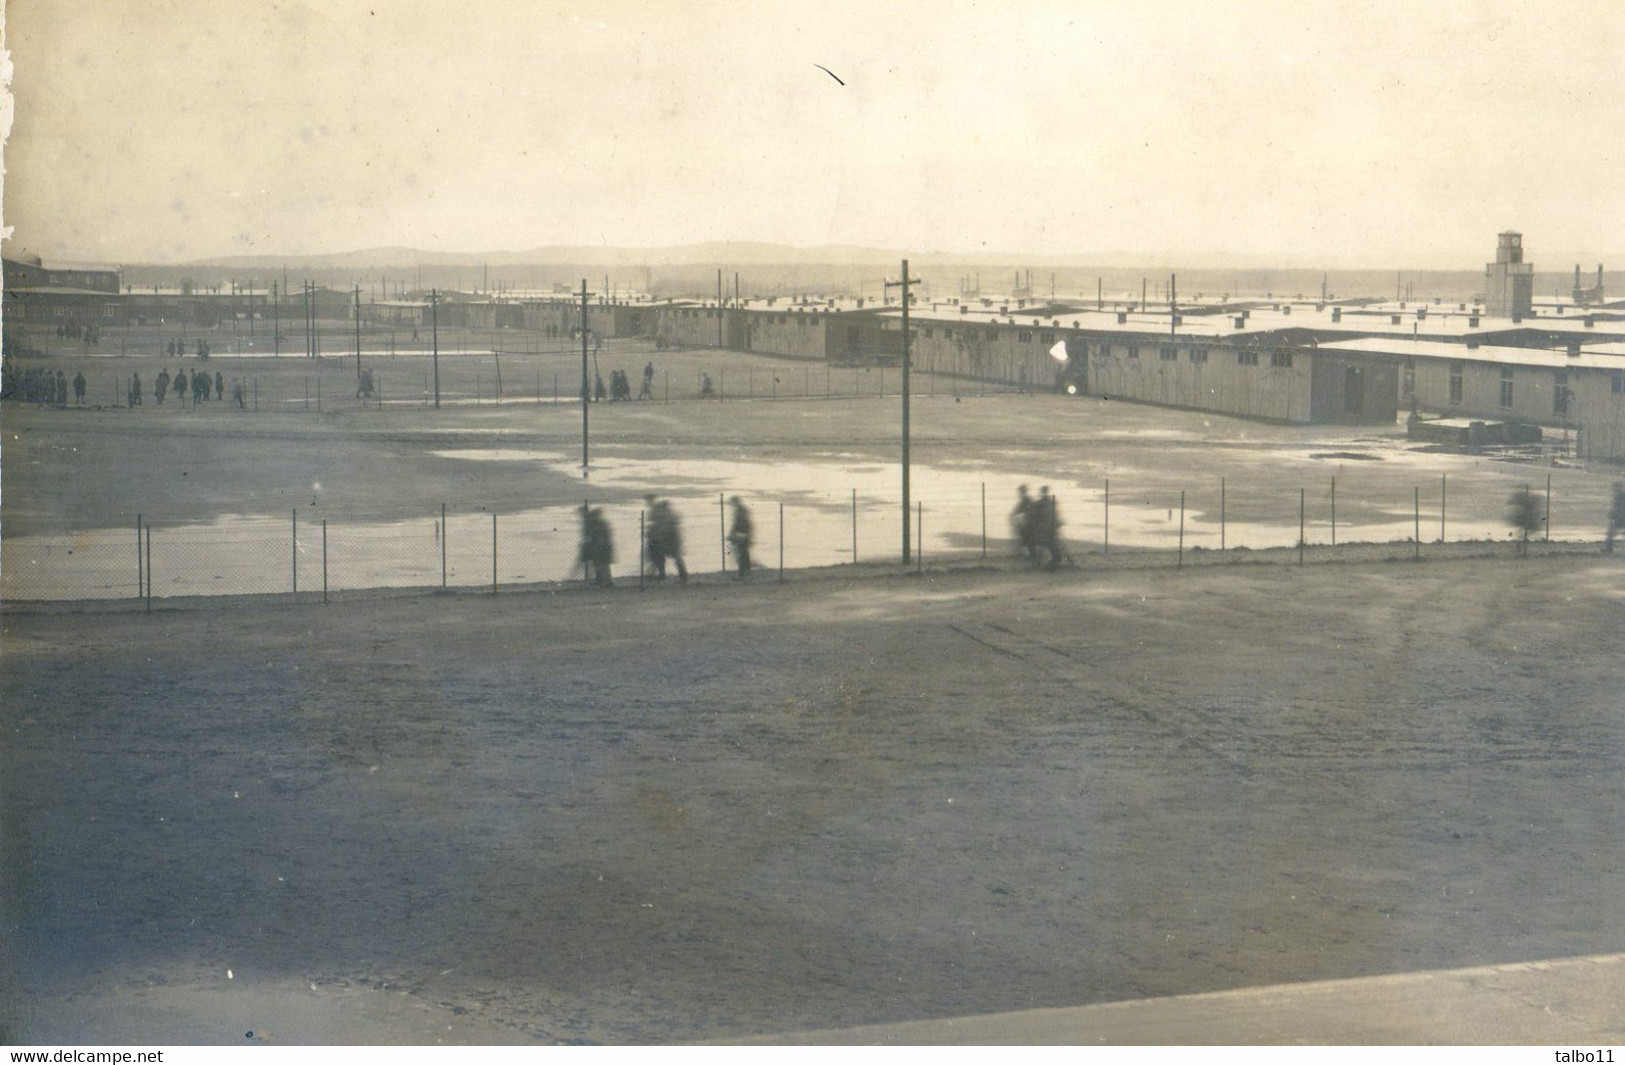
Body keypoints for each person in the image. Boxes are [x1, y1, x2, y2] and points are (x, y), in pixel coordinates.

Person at [645, 496, 688, 584]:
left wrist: (657, 535)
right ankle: (666, 574)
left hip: (670, 539)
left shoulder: (663, 513)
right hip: (669, 538)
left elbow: (663, 527)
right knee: (668, 556)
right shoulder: (666, 513)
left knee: (674, 556)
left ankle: (681, 576)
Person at [577, 504, 614, 587]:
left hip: (601, 546)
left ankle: (607, 582)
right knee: (599, 563)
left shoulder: (597, 523)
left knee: (602, 564)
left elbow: (599, 535)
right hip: (598, 545)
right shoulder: (594, 521)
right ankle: (601, 580)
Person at [728, 496, 754, 580]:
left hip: (742, 535)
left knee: (741, 555)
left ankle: (742, 574)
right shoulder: (742, 510)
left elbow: (737, 523)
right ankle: (746, 573)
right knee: (744, 554)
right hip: (744, 534)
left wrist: (732, 533)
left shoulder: (740, 511)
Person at [1012, 484, 1037, 564]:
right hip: (1028, 522)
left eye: (1020, 492)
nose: (1019, 493)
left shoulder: (1026, 500)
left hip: (1029, 523)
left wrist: (1015, 514)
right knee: (1026, 540)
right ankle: (1031, 555)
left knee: (1027, 539)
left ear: (1023, 492)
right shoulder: (1026, 499)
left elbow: (1019, 510)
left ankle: (1032, 556)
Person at [1606, 483, 1625, 554]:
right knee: (1610, 533)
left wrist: (1612, 515)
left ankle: (1609, 550)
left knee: (1610, 533)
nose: (1615, 490)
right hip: (1619, 519)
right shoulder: (1618, 497)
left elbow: (1618, 509)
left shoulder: (1620, 497)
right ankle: (1608, 549)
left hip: (1621, 520)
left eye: (1616, 488)